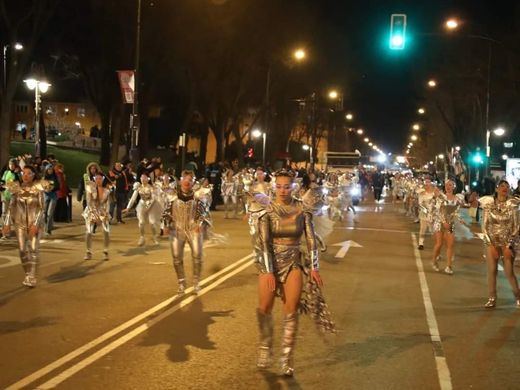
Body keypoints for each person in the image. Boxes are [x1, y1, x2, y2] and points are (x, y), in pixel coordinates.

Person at [255, 170, 324, 376]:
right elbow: (263, 242)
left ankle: (286, 358)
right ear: (273, 187)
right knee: (264, 307)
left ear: (293, 187)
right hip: (269, 263)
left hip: (293, 262)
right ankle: (265, 348)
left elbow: (311, 239)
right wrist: (268, 271)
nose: (283, 190)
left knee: (291, 309)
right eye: (279, 186)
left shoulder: (302, 209)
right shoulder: (266, 210)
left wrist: (314, 267)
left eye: (287, 186)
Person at [163, 170, 209, 293]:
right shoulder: (172, 195)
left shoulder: (198, 196)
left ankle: (196, 282)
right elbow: (166, 212)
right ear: (180, 180)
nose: (187, 181)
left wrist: (199, 224)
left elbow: (203, 212)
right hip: (177, 230)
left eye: (190, 179)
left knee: (197, 256)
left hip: (193, 229)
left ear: (193, 182)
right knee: (177, 258)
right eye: (185, 179)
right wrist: (166, 225)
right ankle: (181, 283)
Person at [2, 166, 47, 287]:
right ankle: (27, 273)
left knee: (33, 249)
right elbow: (11, 207)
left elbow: (42, 208)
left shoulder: (38, 188)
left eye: (29, 173)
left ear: (33, 175)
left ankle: (32, 276)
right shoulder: (15, 188)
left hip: (34, 224)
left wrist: (36, 224)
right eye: (24, 173)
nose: (25, 175)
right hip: (20, 223)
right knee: (22, 250)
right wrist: (6, 223)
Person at [480, 180, 520, 308]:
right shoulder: (488, 204)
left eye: (507, 186)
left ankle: (518, 296)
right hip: (492, 241)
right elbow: (484, 227)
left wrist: (508, 246)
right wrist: (490, 245)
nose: (505, 188)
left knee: (509, 272)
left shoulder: (513, 204)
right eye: (502, 186)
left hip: (508, 242)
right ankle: (492, 298)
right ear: (496, 189)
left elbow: (517, 226)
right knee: (492, 271)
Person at [431, 180, 465, 275]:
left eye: (450, 185)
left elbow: (456, 211)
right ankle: (434, 261)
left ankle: (448, 266)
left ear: (454, 187)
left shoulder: (457, 198)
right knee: (439, 244)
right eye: (446, 185)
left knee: (450, 245)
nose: (448, 187)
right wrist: (444, 222)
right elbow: (439, 210)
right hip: (439, 222)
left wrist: (459, 219)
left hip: (450, 223)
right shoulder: (441, 196)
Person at [124, 172, 163, 246]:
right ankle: (142, 237)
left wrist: (150, 206)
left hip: (152, 205)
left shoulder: (151, 188)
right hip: (141, 204)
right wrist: (128, 207)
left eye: (145, 177)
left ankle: (154, 237)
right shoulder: (138, 187)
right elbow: (133, 198)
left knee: (152, 223)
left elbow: (154, 198)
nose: (143, 179)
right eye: (142, 177)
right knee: (141, 223)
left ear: (148, 179)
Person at [83, 173, 111, 260]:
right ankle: (88, 252)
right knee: (89, 232)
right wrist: (95, 216)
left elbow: (107, 203)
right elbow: (89, 202)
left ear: (102, 179)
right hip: (91, 211)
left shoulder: (107, 191)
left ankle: (105, 251)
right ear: (94, 179)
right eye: (97, 178)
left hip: (102, 211)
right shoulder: (90, 189)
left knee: (106, 231)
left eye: (100, 178)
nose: (98, 180)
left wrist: (106, 212)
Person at [417, 177, 436, 250]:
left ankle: (436, 244)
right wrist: (426, 211)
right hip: (424, 214)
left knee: (434, 230)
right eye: (426, 182)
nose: (427, 184)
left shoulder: (434, 191)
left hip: (433, 214)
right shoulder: (421, 192)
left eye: (429, 182)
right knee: (423, 229)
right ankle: (421, 243)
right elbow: (420, 203)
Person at [43, 164, 59, 236]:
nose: (50, 171)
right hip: (46, 196)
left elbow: (58, 186)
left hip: (53, 196)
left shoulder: (55, 177)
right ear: (46, 170)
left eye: (51, 169)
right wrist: (45, 189)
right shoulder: (44, 178)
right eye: (49, 169)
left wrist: (52, 188)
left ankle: (48, 230)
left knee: (50, 213)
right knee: (44, 213)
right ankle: (44, 227)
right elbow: (41, 186)